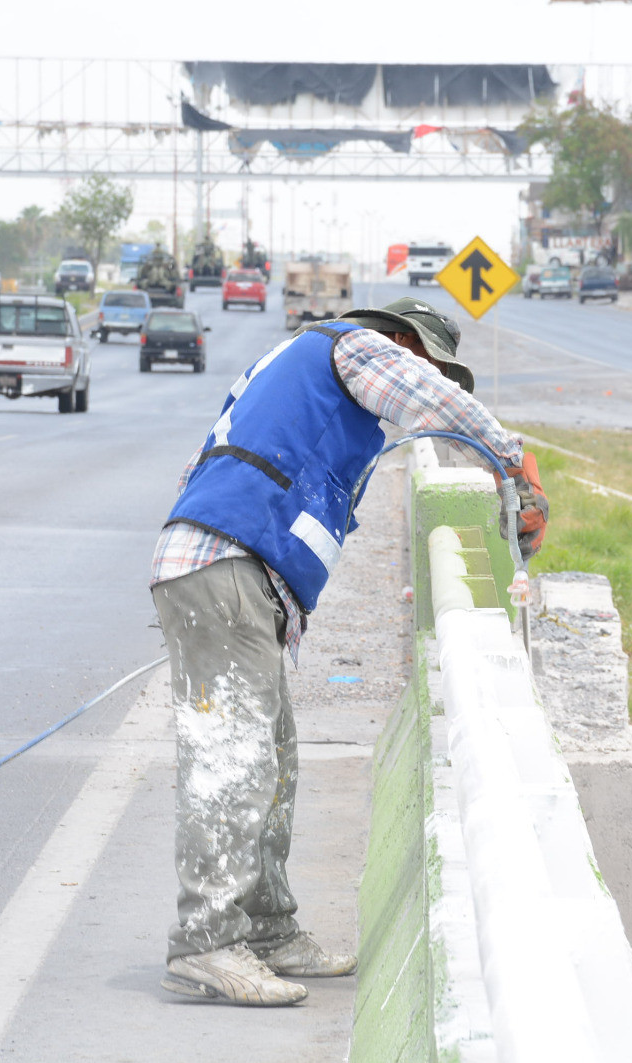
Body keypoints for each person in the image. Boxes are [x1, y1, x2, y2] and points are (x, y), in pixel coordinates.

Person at [150, 296, 547, 1006]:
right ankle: (205, 939)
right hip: (223, 564)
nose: (420, 369)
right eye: (422, 356)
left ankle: (268, 928)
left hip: (230, 571)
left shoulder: (296, 377)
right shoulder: (354, 346)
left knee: (270, 762)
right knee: (233, 759)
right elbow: (431, 400)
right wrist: (515, 463)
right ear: (401, 338)